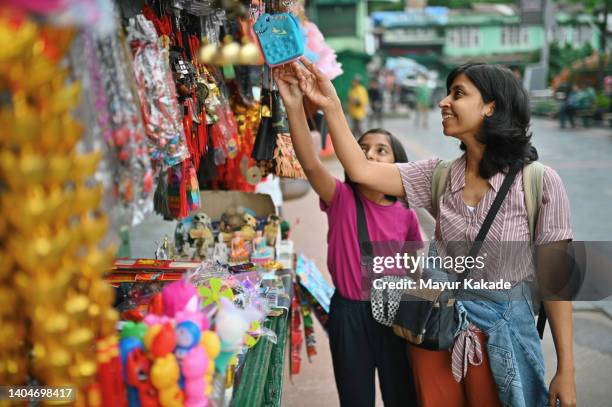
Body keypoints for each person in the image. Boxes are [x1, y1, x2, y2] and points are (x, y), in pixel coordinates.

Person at [284, 58, 577, 407]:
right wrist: (331, 104)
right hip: (438, 338)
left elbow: (556, 283)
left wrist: (567, 369)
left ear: (490, 107)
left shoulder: (540, 183)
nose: (443, 102)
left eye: (458, 93)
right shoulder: (437, 177)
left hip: (506, 342)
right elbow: (360, 169)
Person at [274, 66, 420, 407]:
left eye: (381, 150)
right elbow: (310, 164)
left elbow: (414, 270)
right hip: (349, 315)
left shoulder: (407, 214)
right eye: (362, 147)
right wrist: (295, 108)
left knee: (403, 396)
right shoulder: (340, 198)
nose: (368, 153)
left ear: (398, 165)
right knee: (356, 399)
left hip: (396, 316)